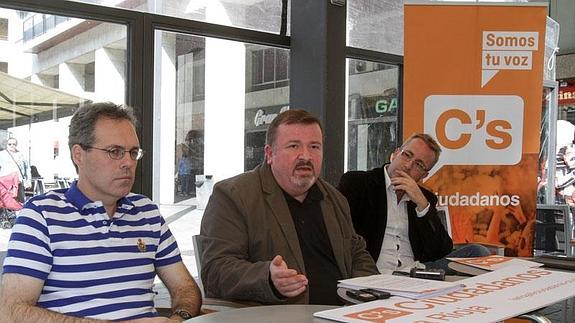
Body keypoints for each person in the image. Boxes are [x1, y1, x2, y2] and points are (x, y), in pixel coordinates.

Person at [0, 102, 202, 322]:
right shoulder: (42, 216)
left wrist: (178, 317)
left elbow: (185, 287)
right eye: (115, 152)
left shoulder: (147, 212)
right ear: (79, 155)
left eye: (133, 152)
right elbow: (12, 312)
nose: (128, 163)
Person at [199, 109, 378, 305]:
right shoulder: (234, 196)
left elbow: (357, 255)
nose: (306, 156)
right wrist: (268, 278)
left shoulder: (334, 199)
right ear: (269, 154)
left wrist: (367, 293)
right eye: (294, 146)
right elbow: (216, 270)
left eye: (314, 147)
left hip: (343, 314)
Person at [337, 133, 490, 275]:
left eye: (419, 164)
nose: (408, 165)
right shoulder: (358, 183)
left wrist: (423, 206)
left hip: (415, 274)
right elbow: (339, 234)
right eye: (407, 155)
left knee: (478, 252)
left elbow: (441, 251)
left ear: (424, 175)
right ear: (395, 154)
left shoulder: (424, 198)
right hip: (374, 273)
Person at [0, 137, 31, 202]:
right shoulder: (2, 154)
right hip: (6, 184)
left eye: (14, 144)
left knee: (20, 202)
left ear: (16, 145)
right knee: (6, 202)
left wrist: (28, 181)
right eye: (9, 144)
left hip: (19, 182)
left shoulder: (21, 155)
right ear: (6, 145)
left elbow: (27, 168)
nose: (12, 146)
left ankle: (18, 212)